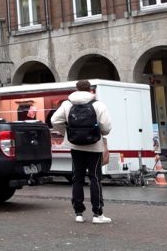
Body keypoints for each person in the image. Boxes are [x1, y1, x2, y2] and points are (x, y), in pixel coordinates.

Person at [51, 80, 112, 224]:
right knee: (95, 178)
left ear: (76, 89)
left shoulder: (67, 104)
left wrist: (67, 133)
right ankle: (97, 214)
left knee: (77, 178)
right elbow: (106, 127)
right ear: (90, 89)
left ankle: (79, 213)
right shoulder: (98, 104)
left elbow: (55, 120)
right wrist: (99, 133)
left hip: (75, 146)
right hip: (94, 146)